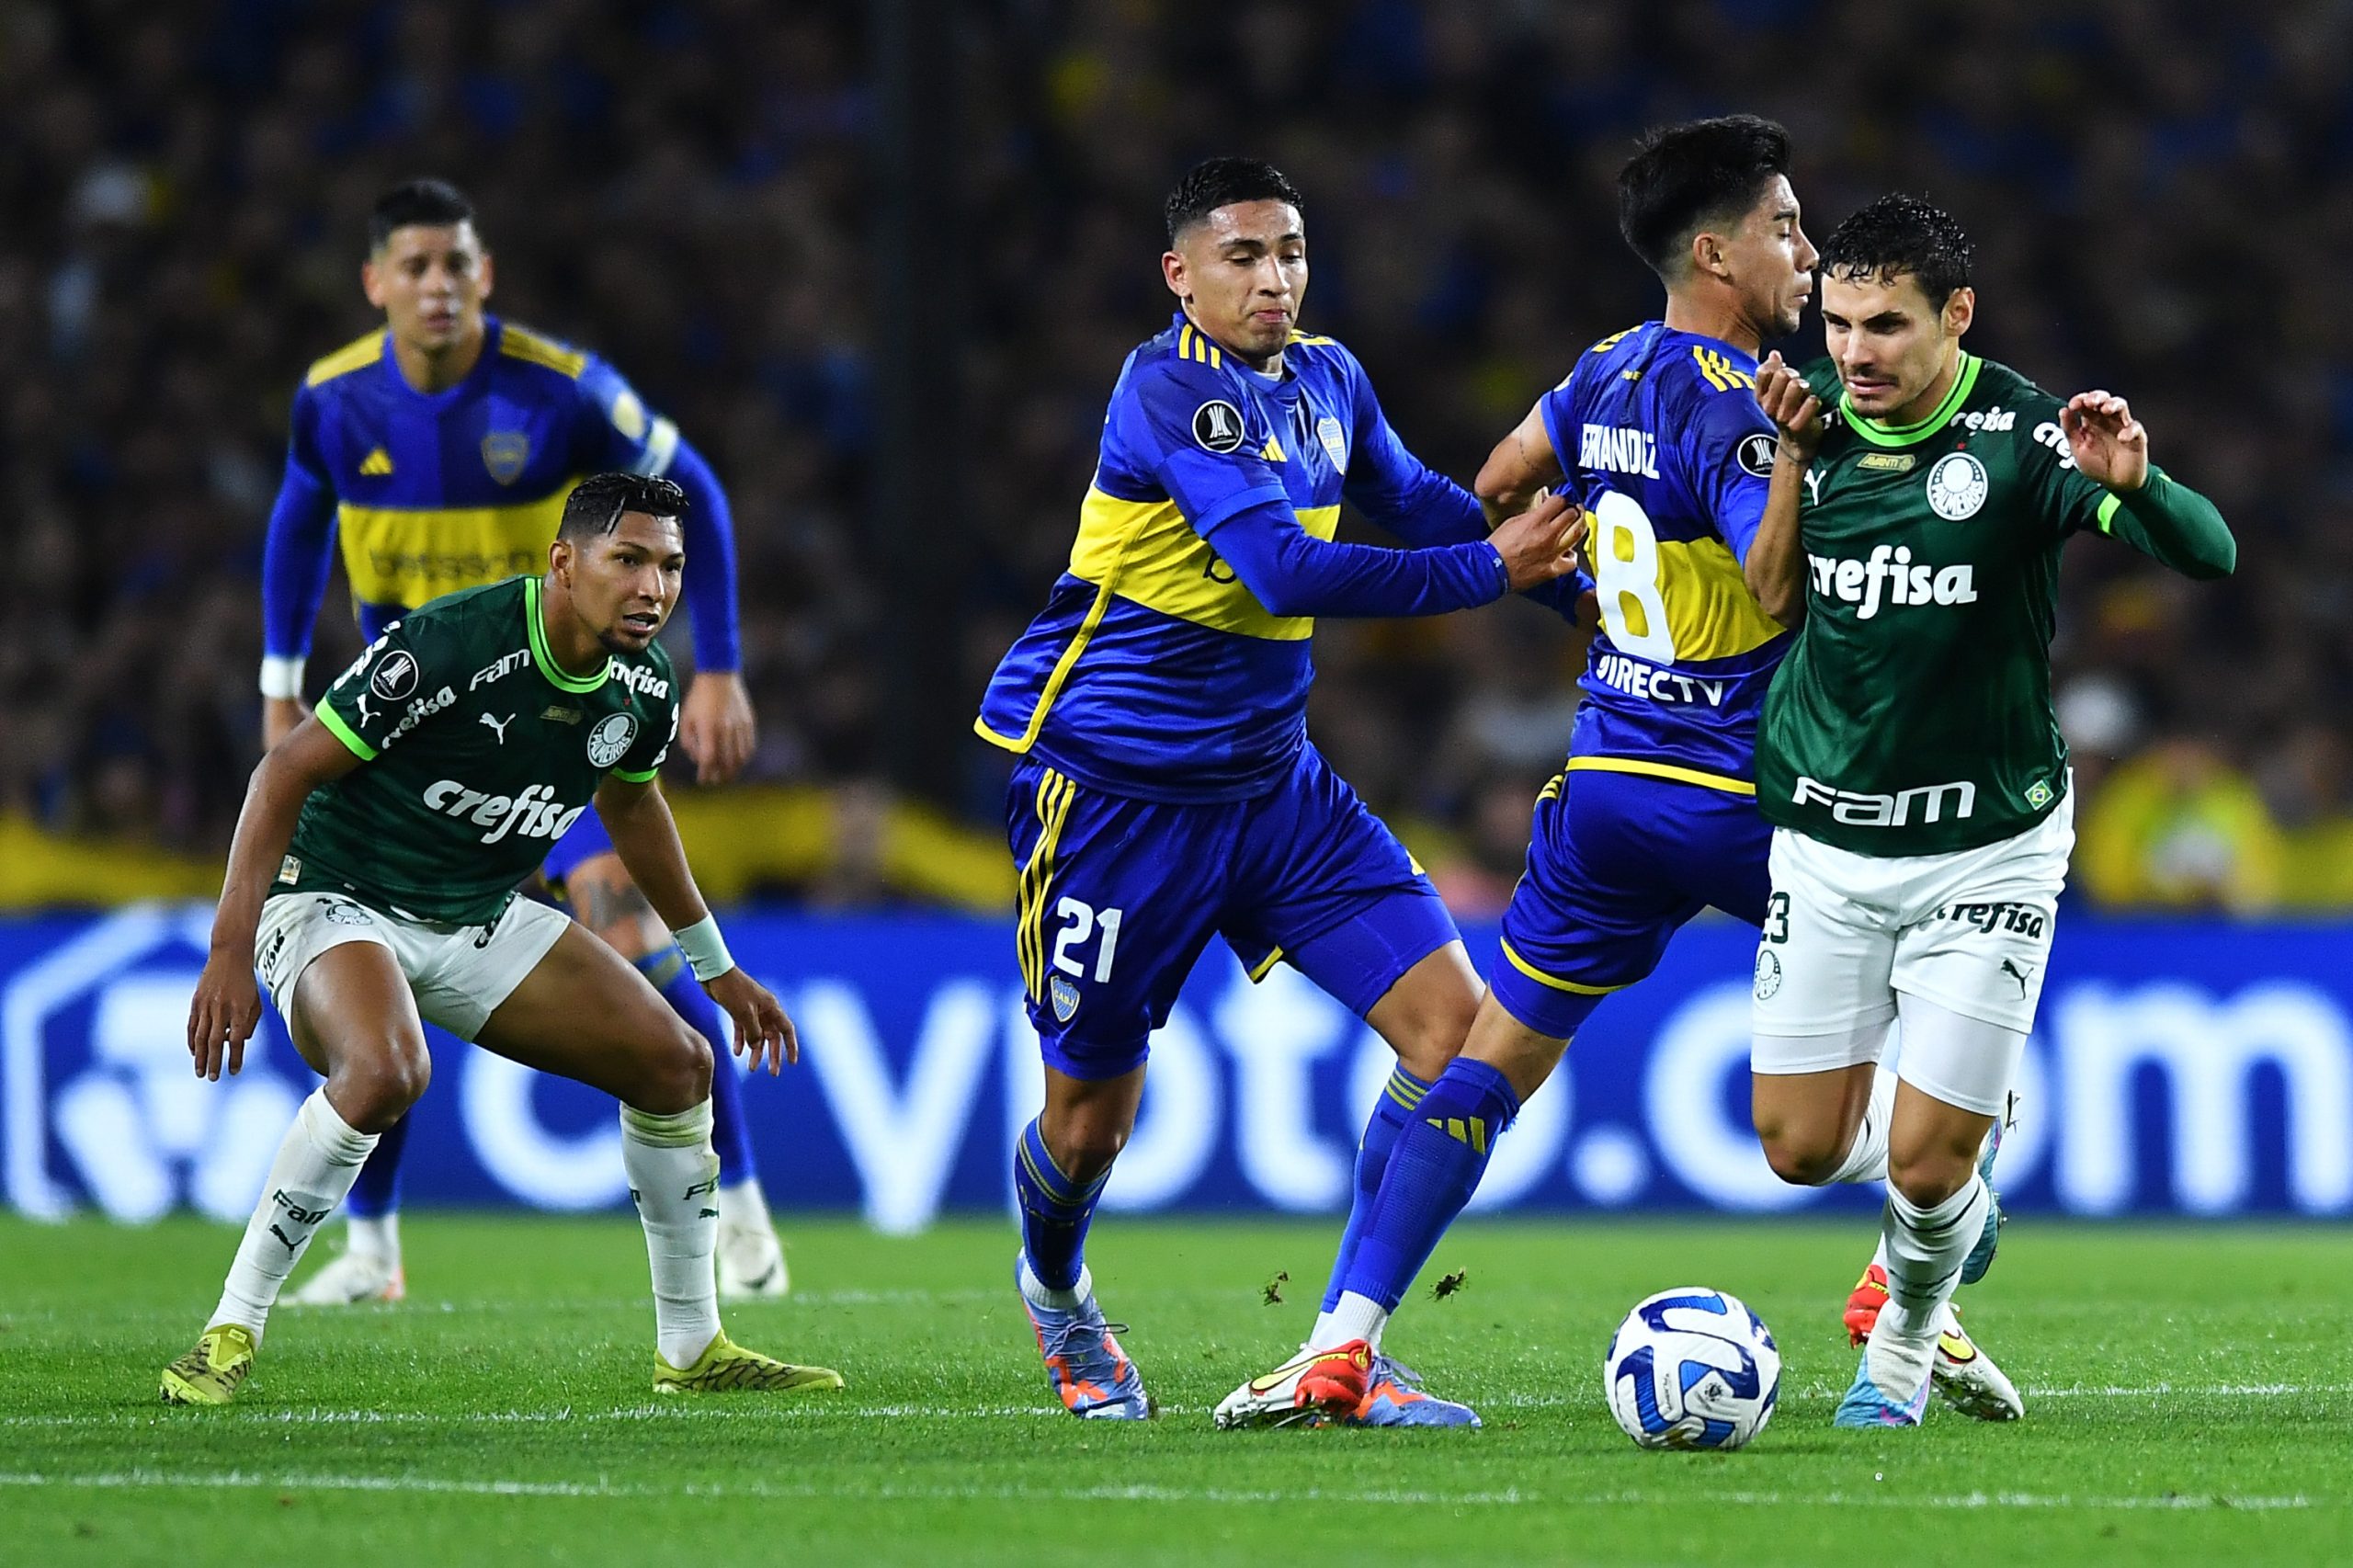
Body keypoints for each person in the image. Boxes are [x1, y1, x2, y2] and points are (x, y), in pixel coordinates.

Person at [1222, 117, 2025, 1428]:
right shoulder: (1747, 408)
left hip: (1607, 795)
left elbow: (1497, 483)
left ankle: (1342, 1339)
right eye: (1783, 228)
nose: (1809, 255)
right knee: (1963, 1058)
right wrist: (1798, 471)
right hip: (1759, 806)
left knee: (1485, 1064)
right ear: (1716, 252)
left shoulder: (1603, 369)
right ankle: (1904, 1281)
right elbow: (1770, 601)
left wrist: (1588, 589)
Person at [972, 157, 1584, 1426]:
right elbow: (1280, 572)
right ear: (1179, 274)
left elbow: (1418, 502)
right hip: (1116, 797)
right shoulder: (1167, 394)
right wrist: (1489, 568)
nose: (1275, 278)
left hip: (1275, 788)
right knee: (1086, 1128)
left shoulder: (1328, 375)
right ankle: (1056, 1286)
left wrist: (1568, 540)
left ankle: (1339, 1352)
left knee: (1459, 1036)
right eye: (1243, 255)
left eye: (1292, 251)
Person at [165, 475, 841, 1405]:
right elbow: (281, 773)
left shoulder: (643, 686)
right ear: (564, 562)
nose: (654, 588)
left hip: (476, 910)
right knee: (387, 1068)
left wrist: (716, 969)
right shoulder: (454, 643)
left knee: (678, 1065)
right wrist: (228, 949)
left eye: (672, 566)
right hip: (334, 896)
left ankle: (692, 1347)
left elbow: (635, 808)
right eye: (630, 559)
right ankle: (227, 1328)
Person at [1744, 194, 2235, 1426]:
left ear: (1957, 315)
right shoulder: (1809, 415)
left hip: (1988, 842)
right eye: (1840, 320)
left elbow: (2211, 552)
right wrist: (1795, 459)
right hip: (1827, 834)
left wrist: (2144, 481)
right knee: (1799, 1147)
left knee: (1917, 1161)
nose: (1855, 351)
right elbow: (1766, 602)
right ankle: (1970, 1197)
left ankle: (1904, 1349)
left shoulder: (2023, 436)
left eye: (1888, 326)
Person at [258, 179, 787, 1303]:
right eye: (416, 266)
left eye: (458, 264)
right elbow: (299, 517)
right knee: (384, 982)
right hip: (418, 743)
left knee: (639, 955)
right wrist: (279, 680)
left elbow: (696, 495)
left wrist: (721, 664)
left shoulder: (560, 391)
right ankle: (374, 1253)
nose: (439, 286)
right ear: (376, 283)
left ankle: (740, 1220)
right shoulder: (334, 399)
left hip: (557, 730)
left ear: (484, 274)